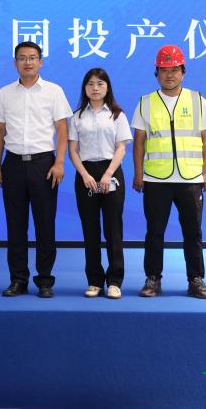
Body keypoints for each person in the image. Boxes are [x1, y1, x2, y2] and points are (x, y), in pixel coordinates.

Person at [131, 45, 206, 300]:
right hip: (156, 178)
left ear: (183, 72)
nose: (170, 74)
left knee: (193, 232)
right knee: (154, 231)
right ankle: (153, 278)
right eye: (164, 70)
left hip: (190, 178)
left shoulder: (198, 100)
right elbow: (139, 141)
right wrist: (138, 174)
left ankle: (196, 279)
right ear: (156, 73)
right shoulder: (146, 102)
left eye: (175, 69)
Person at [0, 41, 72, 298]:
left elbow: (62, 128)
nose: (27, 62)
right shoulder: (5, 93)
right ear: (15, 62)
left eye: (32, 57)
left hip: (43, 164)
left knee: (45, 224)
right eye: (22, 58)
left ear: (40, 62)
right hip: (13, 163)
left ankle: (45, 280)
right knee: (15, 225)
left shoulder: (53, 91)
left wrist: (59, 163)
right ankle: (18, 280)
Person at [66, 67, 130, 299]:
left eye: (100, 84)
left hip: (111, 172)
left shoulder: (117, 115)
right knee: (90, 229)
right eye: (91, 84)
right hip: (86, 174)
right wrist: (85, 175)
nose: (95, 88)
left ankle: (114, 281)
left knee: (113, 229)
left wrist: (107, 174)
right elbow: (73, 151)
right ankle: (94, 281)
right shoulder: (77, 117)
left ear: (107, 87)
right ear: (84, 88)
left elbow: (121, 148)